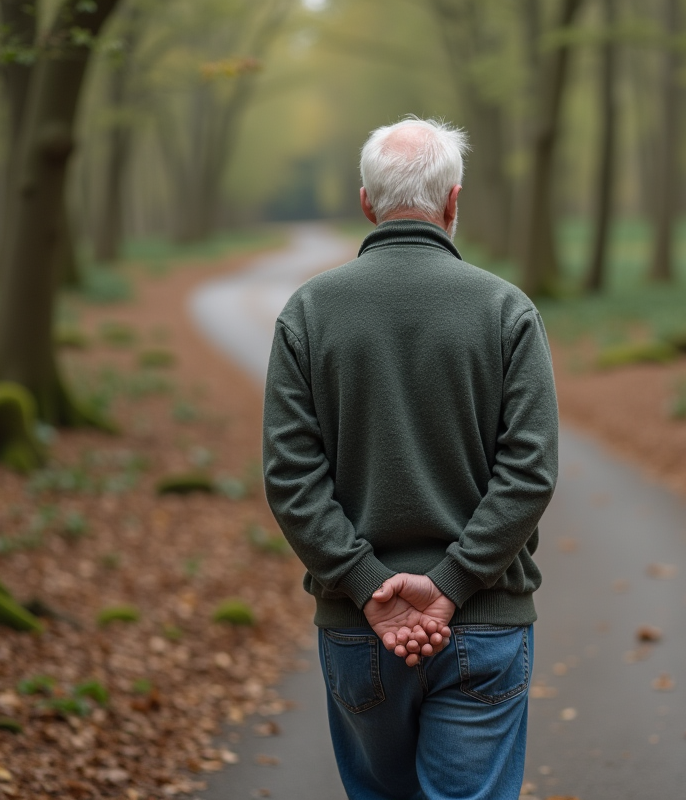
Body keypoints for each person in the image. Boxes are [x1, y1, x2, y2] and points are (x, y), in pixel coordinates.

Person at [262, 116, 560, 800]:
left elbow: (290, 477)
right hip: (483, 624)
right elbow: (530, 471)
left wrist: (367, 584)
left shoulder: (307, 313)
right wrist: (453, 584)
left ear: (367, 203)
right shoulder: (506, 310)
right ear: (454, 201)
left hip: (359, 630)